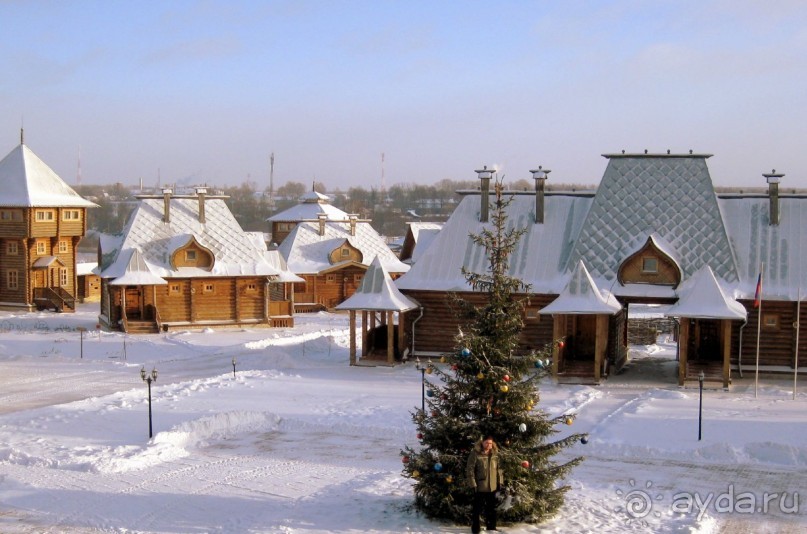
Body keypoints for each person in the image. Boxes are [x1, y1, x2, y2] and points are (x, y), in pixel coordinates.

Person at [466, 435, 504, 533]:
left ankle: (491, 527)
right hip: (479, 487)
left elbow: (499, 469)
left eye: (490, 443)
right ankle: (475, 529)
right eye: (487, 442)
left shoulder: (495, 454)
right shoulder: (475, 453)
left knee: (491, 509)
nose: (489, 445)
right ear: (482, 443)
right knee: (477, 510)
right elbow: (470, 470)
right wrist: (473, 484)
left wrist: (500, 482)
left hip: (492, 487)